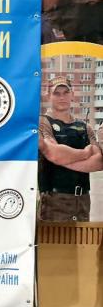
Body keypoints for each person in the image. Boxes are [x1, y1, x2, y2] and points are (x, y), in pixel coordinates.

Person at [38, 76, 103, 221]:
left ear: (72, 94)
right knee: (55, 237)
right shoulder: (42, 122)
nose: (62, 97)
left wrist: (64, 159)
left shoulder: (85, 127)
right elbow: (54, 154)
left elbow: (99, 162)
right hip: (54, 201)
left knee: (82, 237)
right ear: (48, 96)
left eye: (66, 92)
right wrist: (85, 153)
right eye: (56, 93)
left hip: (83, 200)